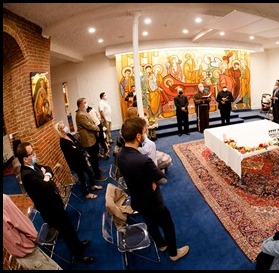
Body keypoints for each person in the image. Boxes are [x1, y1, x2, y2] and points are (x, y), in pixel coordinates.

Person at [117, 117, 189, 261]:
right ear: (138, 136)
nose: (145, 135)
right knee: (168, 225)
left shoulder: (120, 155)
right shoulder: (143, 160)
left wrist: (148, 179)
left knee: (150, 222)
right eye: (144, 132)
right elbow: (163, 179)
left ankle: (161, 245)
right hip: (154, 201)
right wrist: (152, 179)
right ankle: (174, 253)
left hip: (137, 200)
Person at [15, 142, 95, 263]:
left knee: (69, 227)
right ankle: (79, 256)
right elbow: (49, 185)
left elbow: (48, 168)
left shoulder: (32, 165)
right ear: (25, 159)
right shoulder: (27, 175)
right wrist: (47, 178)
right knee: (67, 231)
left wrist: (45, 175)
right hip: (50, 210)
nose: (35, 154)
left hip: (55, 204)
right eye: (32, 153)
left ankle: (78, 245)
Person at [3, 193, 63, 270]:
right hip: (29, 252)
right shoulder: (4, 201)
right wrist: (36, 239)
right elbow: (22, 225)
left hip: (19, 255)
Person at [55, 121, 103, 199]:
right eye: (64, 127)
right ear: (61, 130)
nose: (66, 127)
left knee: (90, 172)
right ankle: (86, 194)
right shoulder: (62, 142)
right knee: (82, 178)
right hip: (75, 162)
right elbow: (71, 153)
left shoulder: (69, 135)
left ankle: (93, 185)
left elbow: (78, 143)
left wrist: (78, 148)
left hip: (81, 158)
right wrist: (76, 147)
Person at [75, 98, 107, 182]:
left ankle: (97, 169)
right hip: (88, 140)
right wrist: (97, 128)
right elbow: (88, 125)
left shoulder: (84, 112)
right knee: (93, 158)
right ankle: (97, 176)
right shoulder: (80, 115)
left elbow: (92, 122)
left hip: (91, 138)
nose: (86, 104)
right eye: (85, 102)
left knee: (95, 156)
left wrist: (96, 128)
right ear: (80, 105)